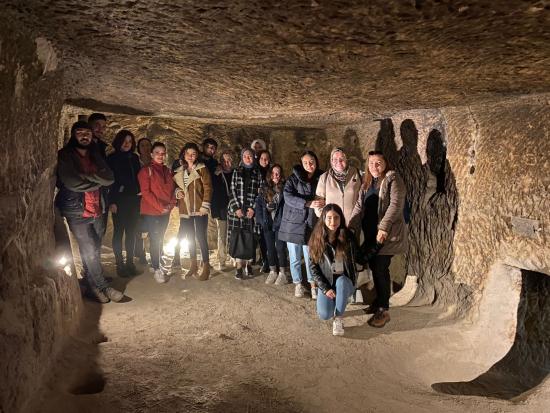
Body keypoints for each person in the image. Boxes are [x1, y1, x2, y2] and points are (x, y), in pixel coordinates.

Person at [55, 121, 123, 303]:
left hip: (97, 208)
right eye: (80, 132)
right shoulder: (65, 155)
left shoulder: (95, 153)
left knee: (95, 248)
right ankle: (103, 287)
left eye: (88, 133)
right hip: (77, 211)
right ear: (73, 134)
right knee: (89, 249)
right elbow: (72, 182)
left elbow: (109, 178)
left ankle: (91, 284)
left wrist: (87, 177)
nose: (84, 136)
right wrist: (97, 179)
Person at [350, 150, 408, 328]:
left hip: (386, 235)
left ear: (385, 164)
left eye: (378, 163)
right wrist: (351, 227)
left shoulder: (392, 179)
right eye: (371, 163)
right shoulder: (367, 182)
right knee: (376, 268)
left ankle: (384, 309)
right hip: (370, 235)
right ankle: (378, 302)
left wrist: (383, 227)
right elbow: (359, 206)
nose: (374, 166)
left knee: (381, 268)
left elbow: (396, 205)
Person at [309, 204, 364, 336]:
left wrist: (377, 245)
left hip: (345, 282)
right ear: (323, 218)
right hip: (327, 282)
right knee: (324, 314)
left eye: (336, 218)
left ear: (341, 219)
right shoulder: (316, 238)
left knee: (341, 283)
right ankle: (335, 301)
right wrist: (325, 288)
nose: (333, 222)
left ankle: (338, 318)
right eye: (329, 218)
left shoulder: (348, 236)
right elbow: (313, 268)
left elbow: (360, 258)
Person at [278, 151, 324, 299]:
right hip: (293, 223)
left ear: (316, 162)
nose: (309, 165)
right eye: (305, 163)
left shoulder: (321, 178)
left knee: (311, 256)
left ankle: (313, 285)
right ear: (301, 164)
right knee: (295, 256)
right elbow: (288, 197)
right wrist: (307, 203)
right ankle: (298, 284)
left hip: (311, 222)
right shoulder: (293, 179)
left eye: (311, 162)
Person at [173, 142, 213, 281]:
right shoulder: (179, 171)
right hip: (186, 209)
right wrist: (177, 191)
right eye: (188, 154)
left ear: (197, 155)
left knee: (201, 237)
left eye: (194, 154)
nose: (191, 156)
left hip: (199, 208)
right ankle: (193, 265)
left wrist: (205, 205)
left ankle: (206, 266)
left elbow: (208, 187)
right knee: (189, 237)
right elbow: (175, 186)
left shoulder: (202, 169)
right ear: (184, 154)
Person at [137, 142, 176, 283]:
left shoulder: (168, 171)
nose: (160, 155)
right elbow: (146, 193)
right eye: (157, 153)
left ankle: (155, 264)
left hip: (165, 211)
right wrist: (161, 208)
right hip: (152, 212)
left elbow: (174, 190)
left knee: (160, 238)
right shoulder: (145, 171)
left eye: (163, 153)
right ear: (152, 154)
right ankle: (157, 269)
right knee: (155, 239)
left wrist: (171, 205)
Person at [106, 130, 142, 277]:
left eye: (130, 141)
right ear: (119, 141)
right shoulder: (112, 158)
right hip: (119, 200)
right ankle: (119, 264)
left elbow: (138, 177)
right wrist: (112, 201)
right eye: (124, 141)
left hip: (133, 200)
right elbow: (110, 181)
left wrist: (140, 193)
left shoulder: (134, 157)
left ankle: (130, 263)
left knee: (131, 232)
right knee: (119, 231)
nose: (127, 144)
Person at [227, 148, 264, 280]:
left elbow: (260, 193)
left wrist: (253, 209)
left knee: (250, 238)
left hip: (250, 213)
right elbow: (232, 190)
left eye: (250, 156)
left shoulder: (257, 173)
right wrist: (236, 208)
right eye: (245, 156)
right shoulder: (237, 171)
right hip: (237, 212)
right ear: (242, 158)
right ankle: (238, 267)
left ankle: (248, 265)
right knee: (237, 237)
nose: (248, 158)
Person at [314, 147, 362, 234]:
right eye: (335, 159)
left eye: (341, 159)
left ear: (346, 159)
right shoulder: (324, 177)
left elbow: (361, 197)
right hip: (332, 225)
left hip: (353, 224)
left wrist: (357, 218)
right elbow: (318, 202)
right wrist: (326, 219)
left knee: (352, 247)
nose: (339, 162)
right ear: (331, 161)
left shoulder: (356, 173)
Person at [255, 164, 289, 284]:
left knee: (280, 248)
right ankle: (273, 271)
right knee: (270, 249)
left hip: (280, 223)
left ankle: (283, 273)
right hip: (268, 223)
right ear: (270, 174)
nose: (276, 175)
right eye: (274, 173)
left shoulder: (285, 188)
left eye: (278, 173)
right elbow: (258, 205)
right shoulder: (264, 188)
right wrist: (261, 219)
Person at [211, 149, 234, 270]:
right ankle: (221, 259)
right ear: (221, 162)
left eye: (229, 160)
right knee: (222, 235)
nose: (227, 163)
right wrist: (214, 211)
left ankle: (234, 256)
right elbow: (213, 193)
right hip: (221, 208)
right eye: (224, 161)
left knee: (234, 233)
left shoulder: (236, 173)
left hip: (234, 208)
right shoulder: (217, 175)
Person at [255, 149, 272, 273]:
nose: (264, 161)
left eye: (266, 159)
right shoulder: (255, 171)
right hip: (258, 206)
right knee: (260, 235)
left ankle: (268, 259)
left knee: (268, 235)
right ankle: (262, 258)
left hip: (269, 207)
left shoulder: (272, 172)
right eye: (262, 158)